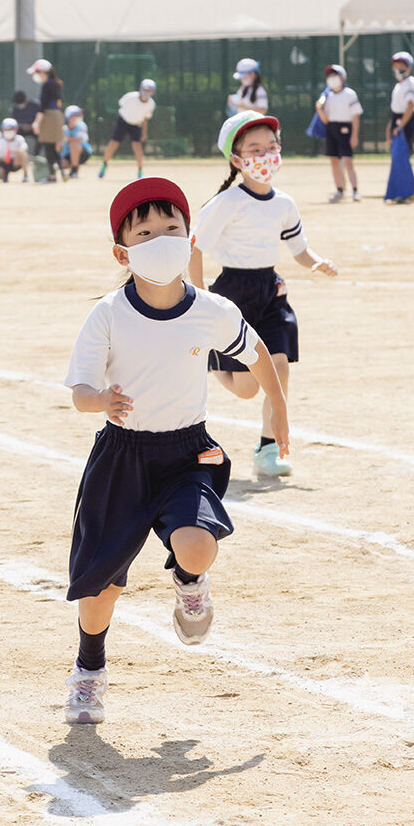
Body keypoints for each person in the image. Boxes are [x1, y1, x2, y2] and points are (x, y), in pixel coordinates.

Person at [62, 177, 288, 725]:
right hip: (122, 457)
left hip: (188, 453)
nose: (161, 238)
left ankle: (191, 585)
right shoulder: (109, 314)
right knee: (100, 590)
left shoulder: (210, 308)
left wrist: (277, 411)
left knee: (197, 546)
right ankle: (89, 670)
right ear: (123, 251)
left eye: (172, 228)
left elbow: (256, 352)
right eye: (145, 232)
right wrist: (102, 400)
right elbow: (80, 393)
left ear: (190, 238)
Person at [190, 112, 337, 478]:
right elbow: (194, 248)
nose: (265, 154)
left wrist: (317, 262)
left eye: (271, 147)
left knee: (280, 365)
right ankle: (213, 361)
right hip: (233, 293)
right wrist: (200, 296)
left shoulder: (284, 203)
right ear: (237, 160)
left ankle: (268, 447)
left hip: (271, 291)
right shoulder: (227, 202)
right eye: (255, 149)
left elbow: (299, 249)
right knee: (245, 390)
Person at [315, 64, 362, 202]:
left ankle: (355, 190)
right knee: (334, 161)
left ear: (342, 77)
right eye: (330, 76)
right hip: (331, 128)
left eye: (335, 75)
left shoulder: (349, 94)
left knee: (348, 161)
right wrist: (319, 109)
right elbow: (325, 120)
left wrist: (354, 135)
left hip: (345, 129)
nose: (332, 78)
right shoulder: (327, 95)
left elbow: (355, 116)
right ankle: (339, 190)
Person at [99, 78, 156, 179]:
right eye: (144, 89)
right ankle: (104, 164)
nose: (146, 92)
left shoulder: (151, 104)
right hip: (123, 121)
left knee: (137, 147)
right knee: (114, 143)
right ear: (140, 89)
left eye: (149, 90)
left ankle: (140, 171)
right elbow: (121, 104)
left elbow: (145, 119)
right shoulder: (130, 97)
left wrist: (144, 133)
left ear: (153, 92)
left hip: (136, 125)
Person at [385, 51, 414, 205]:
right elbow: (394, 110)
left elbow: (410, 106)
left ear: (408, 67)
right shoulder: (399, 85)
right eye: (395, 65)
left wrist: (400, 126)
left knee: (401, 158)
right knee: (397, 159)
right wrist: (389, 130)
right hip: (397, 123)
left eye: (401, 65)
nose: (397, 68)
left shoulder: (410, 82)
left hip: (404, 124)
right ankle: (399, 192)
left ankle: (408, 192)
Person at [28, 59, 64, 182]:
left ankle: (52, 176)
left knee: (48, 146)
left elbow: (43, 107)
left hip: (48, 116)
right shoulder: (56, 83)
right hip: (57, 115)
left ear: (42, 72)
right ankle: (62, 172)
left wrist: (36, 122)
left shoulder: (47, 85)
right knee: (54, 146)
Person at [61, 105, 92, 178]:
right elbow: (60, 143)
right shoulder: (64, 129)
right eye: (76, 115)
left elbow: (81, 138)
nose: (79, 116)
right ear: (69, 117)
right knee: (61, 164)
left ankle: (74, 171)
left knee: (74, 144)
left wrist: (68, 138)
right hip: (67, 153)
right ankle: (71, 166)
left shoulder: (82, 126)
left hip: (83, 153)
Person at [0, 117, 30, 181]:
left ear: (16, 130)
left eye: (11, 129)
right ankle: (4, 176)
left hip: (16, 162)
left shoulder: (19, 139)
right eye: (7, 129)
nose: (9, 131)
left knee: (24, 154)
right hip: (4, 163)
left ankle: (25, 175)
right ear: (3, 130)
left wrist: (12, 152)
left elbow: (24, 148)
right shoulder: (0, 141)